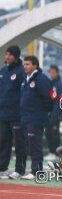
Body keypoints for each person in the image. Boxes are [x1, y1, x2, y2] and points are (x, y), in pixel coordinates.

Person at [13, 56, 52, 180]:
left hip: (36, 118)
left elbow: (49, 98)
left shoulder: (41, 79)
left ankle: (37, 171)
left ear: (35, 66)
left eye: (28, 64)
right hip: (25, 117)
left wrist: (41, 111)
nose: (25, 66)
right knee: (27, 145)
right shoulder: (26, 79)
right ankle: (27, 169)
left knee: (35, 145)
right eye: (24, 64)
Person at [0, 46, 25, 179]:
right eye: (6, 54)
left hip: (17, 114)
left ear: (16, 56)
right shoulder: (3, 71)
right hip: (3, 114)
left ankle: (19, 170)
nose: (7, 57)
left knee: (19, 142)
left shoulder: (22, 71)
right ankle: (2, 168)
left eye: (10, 54)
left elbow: (24, 93)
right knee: (3, 142)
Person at [44, 65, 62, 161]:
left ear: (57, 72)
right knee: (48, 132)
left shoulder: (61, 84)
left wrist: (60, 114)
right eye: (50, 72)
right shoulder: (51, 84)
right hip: (50, 113)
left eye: (53, 72)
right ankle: (51, 152)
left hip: (56, 113)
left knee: (54, 133)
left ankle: (56, 153)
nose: (51, 74)